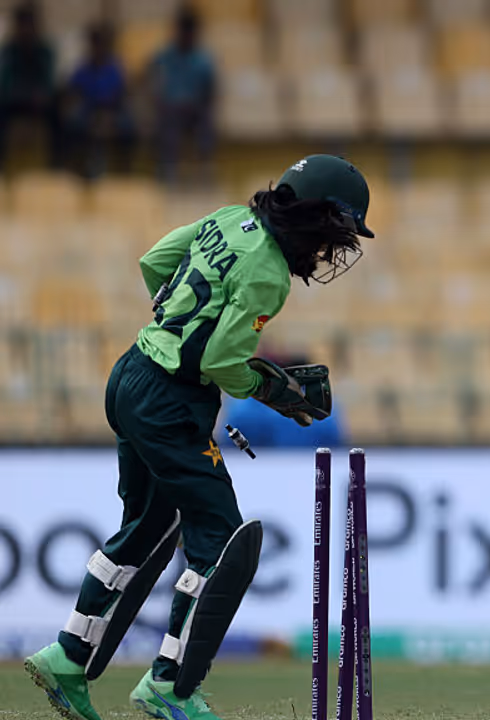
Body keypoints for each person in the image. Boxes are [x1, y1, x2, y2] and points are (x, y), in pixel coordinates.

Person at [23, 154, 374, 720]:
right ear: (314, 217)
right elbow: (221, 362)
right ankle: (168, 685)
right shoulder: (270, 275)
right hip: (170, 404)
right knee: (220, 540)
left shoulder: (228, 219)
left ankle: (67, 656)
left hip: (131, 373)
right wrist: (272, 388)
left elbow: (153, 263)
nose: (332, 252)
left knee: (146, 528)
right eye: (336, 234)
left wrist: (181, 324)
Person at [222, 351, 348, 449]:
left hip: (257, 471)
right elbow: (334, 445)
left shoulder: (244, 407)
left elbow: (230, 445)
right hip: (309, 469)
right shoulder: (325, 408)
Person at [148, 6, 216, 184]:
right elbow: (150, 77)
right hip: (170, 109)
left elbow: (211, 89)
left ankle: (204, 171)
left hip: (195, 110)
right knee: (167, 123)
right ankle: (168, 171)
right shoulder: (164, 56)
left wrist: (201, 105)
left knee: (206, 123)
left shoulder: (203, 59)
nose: (186, 35)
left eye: (189, 31)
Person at [65, 22, 135, 178]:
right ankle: (76, 170)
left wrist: (108, 117)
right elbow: (73, 94)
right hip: (88, 112)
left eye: (102, 43)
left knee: (128, 126)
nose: (98, 48)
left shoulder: (115, 68)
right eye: (95, 43)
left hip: (112, 111)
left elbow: (122, 96)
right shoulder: (82, 68)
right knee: (73, 124)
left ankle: (123, 171)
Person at [0, 2, 60, 169]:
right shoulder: (9, 50)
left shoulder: (45, 50)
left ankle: (56, 164)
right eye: (22, 24)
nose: (25, 29)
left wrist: (42, 95)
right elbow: (4, 83)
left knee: (58, 111)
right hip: (14, 100)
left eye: (29, 24)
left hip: (39, 101)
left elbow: (49, 81)